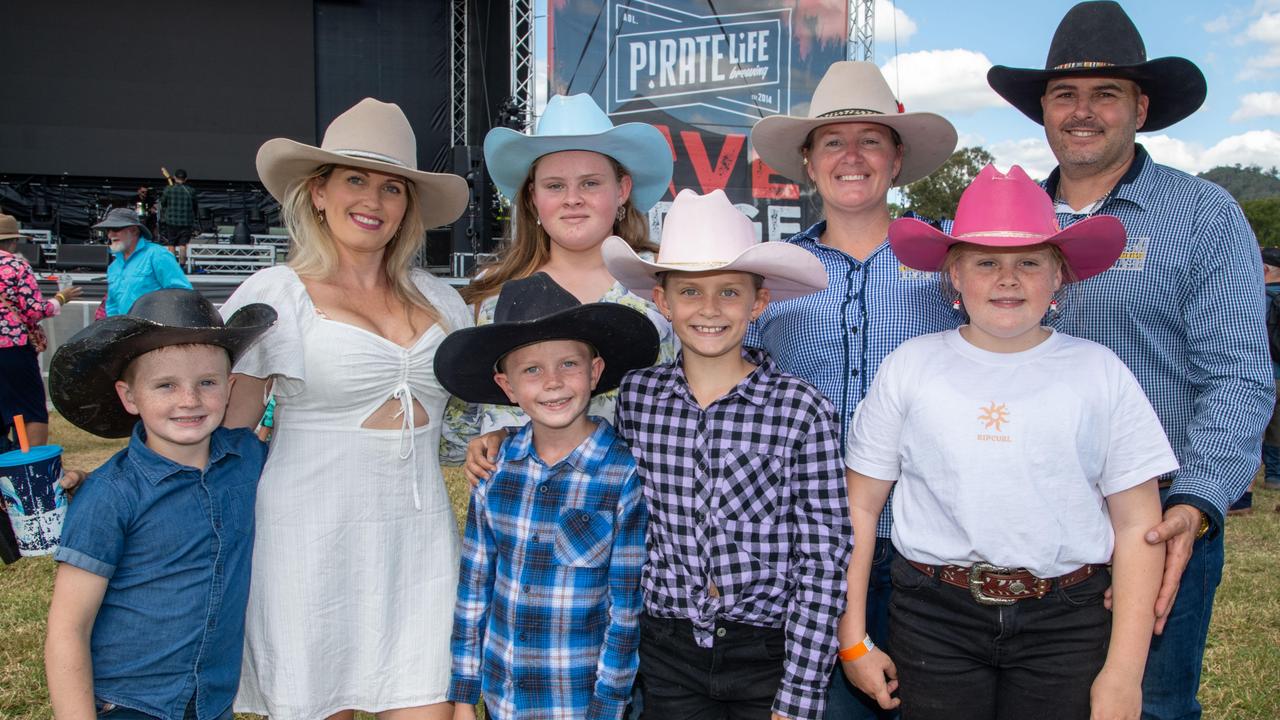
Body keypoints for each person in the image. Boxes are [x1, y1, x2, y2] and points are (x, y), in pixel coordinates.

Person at [986, 4, 1275, 717]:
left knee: (1151, 707)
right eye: (1064, 95)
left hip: (1153, 526)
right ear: (1043, 111)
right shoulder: (1002, 224)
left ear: (1140, 107)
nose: (1082, 112)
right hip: (1026, 529)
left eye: (1105, 93)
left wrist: (1197, 503)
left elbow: (1237, 374)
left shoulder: (1203, 216)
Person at [842, 164, 1174, 720]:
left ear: (1060, 275)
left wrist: (1122, 674)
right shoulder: (911, 367)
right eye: (986, 262)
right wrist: (853, 637)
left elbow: (1139, 524)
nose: (1008, 278)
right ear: (954, 273)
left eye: (1029, 262)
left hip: (1065, 618)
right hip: (934, 616)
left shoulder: (1101, 372)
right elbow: (859, 504)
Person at [219, 97, 473, 720]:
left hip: (419, 542)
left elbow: (477, 417)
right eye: (354, 179)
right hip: (307, 537)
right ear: (319, 193)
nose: (374, 200)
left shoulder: (444, 301)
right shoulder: (273, 294)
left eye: (392, 187)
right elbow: (228, 432)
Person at [748, 60, 959, 719]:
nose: (852, 156)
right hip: (804, 540)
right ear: (808, 163)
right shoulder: (770, 277)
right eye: (833, 141)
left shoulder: (951, 265)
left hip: (932, 539)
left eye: (871, 139)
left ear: (897, 159)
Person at [604, 189, 850, 720]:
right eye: (690, 291)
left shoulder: (802, 410)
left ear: (758, 302)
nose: (710, 310)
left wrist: (800, 693)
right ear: (662, 300)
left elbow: (824, 558)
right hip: (667, 648)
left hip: (765, 648)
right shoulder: (637, 397)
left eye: (730, 293)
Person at [435, 273, 658, 720]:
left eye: (568, 365)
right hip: (505, 698)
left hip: (581, 700)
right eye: (532, 370)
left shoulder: (623, 474)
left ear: (595, 372)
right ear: (508, 387)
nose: (553, 382)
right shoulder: (494, 471)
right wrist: (463, 695)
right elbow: (475, 589)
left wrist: (609, 704)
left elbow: (624, 608)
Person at [44, 288, 276, 720]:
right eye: (165, 385)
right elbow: (67, 627)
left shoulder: (247, 460)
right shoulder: (110, 495)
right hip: (131, 704)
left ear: (229, 389)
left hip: (211, 701)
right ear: (130, 397)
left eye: (206, 383)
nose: (188, 400)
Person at [459, 93, 676, 460]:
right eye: (555, 185)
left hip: (637, 506)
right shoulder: (495, 295)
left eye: (590, 183)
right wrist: (494, 438)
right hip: (526, 508)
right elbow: (469, 420)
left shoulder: (663, 284)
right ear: (532, 198)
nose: (572, 199)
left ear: (622, 190)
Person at [0, 213, 82, 447]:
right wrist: (60, 298)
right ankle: (29, 465)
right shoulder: (15, 266)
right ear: (13, 241)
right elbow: (34, 311)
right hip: (12, 350)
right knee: (29, 408)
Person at [93, 207, 191, 318]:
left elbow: (183, 295)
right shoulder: (113, 267)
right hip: (127, 331)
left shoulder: (157, 254)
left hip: (156, 330)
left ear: (134, 230)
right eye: (108, 230)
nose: (110, 235)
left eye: (115, 229)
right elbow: (112, 306)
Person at [1258, 247, 1280, 496]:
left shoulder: (1259, 298)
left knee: (1257, 431)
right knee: (1277, 429)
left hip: (1266, 373)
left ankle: (1245, 494)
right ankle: (1275, 476)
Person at [159, 169, 199, 264]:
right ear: (186, 179)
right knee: (183, 244)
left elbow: (163, 203)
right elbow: (195, 206)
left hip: (171, 221)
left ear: (174, 177)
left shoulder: (168, 189)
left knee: (171, 243)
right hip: (186, 222)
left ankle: (172, 265)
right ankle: (182, 265)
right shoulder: (191, 191)